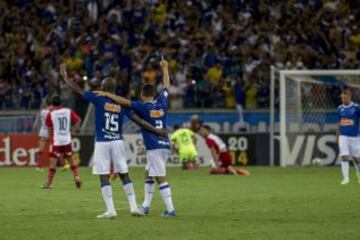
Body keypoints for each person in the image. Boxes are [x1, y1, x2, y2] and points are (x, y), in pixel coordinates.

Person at [59, 63, 167, 218]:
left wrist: (64, 75)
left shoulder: (98, 98)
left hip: (102, 142)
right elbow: (140, 121)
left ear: (103, 87)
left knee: (103, 175)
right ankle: (134, 207)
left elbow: (77, 90)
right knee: (124, 174)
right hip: (117, 142)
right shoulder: (121, 103)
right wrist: (157, 130)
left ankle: (111, 210)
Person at [95, 59, 176, 217]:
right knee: (148, 173)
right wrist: (165, 68)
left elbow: (124, 101)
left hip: (154, 146)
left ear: (142, 94)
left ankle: (171, 209)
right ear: (154, 94)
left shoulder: (142, 106)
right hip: (165, 144)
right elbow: (167, 85)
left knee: (160, 176)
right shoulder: (162, 102)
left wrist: (107, 94)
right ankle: (145, 205)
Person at [41, 95, 82, 189]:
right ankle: (77, 177)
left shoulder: (51, 113)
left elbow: (49, 127)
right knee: (71, 160)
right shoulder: (68, 111)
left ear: (52, 104)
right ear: (61, 103)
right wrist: (74, 130)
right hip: (67, 140)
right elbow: (78, 120)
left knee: (53, 163)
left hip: (56, 141)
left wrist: (49, 138)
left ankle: (49, 183)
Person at [336, 88, 360, 185]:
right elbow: (339, 123)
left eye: (345, 98)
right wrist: (337, 136)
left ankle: (358, 174)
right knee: (344, 156)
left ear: (349, 97)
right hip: (343, 136)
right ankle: (346, 178)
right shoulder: (340, 108)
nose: (343, 100)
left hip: (355, 137)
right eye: (342, 98)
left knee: (356, 159)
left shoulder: (357, 108)